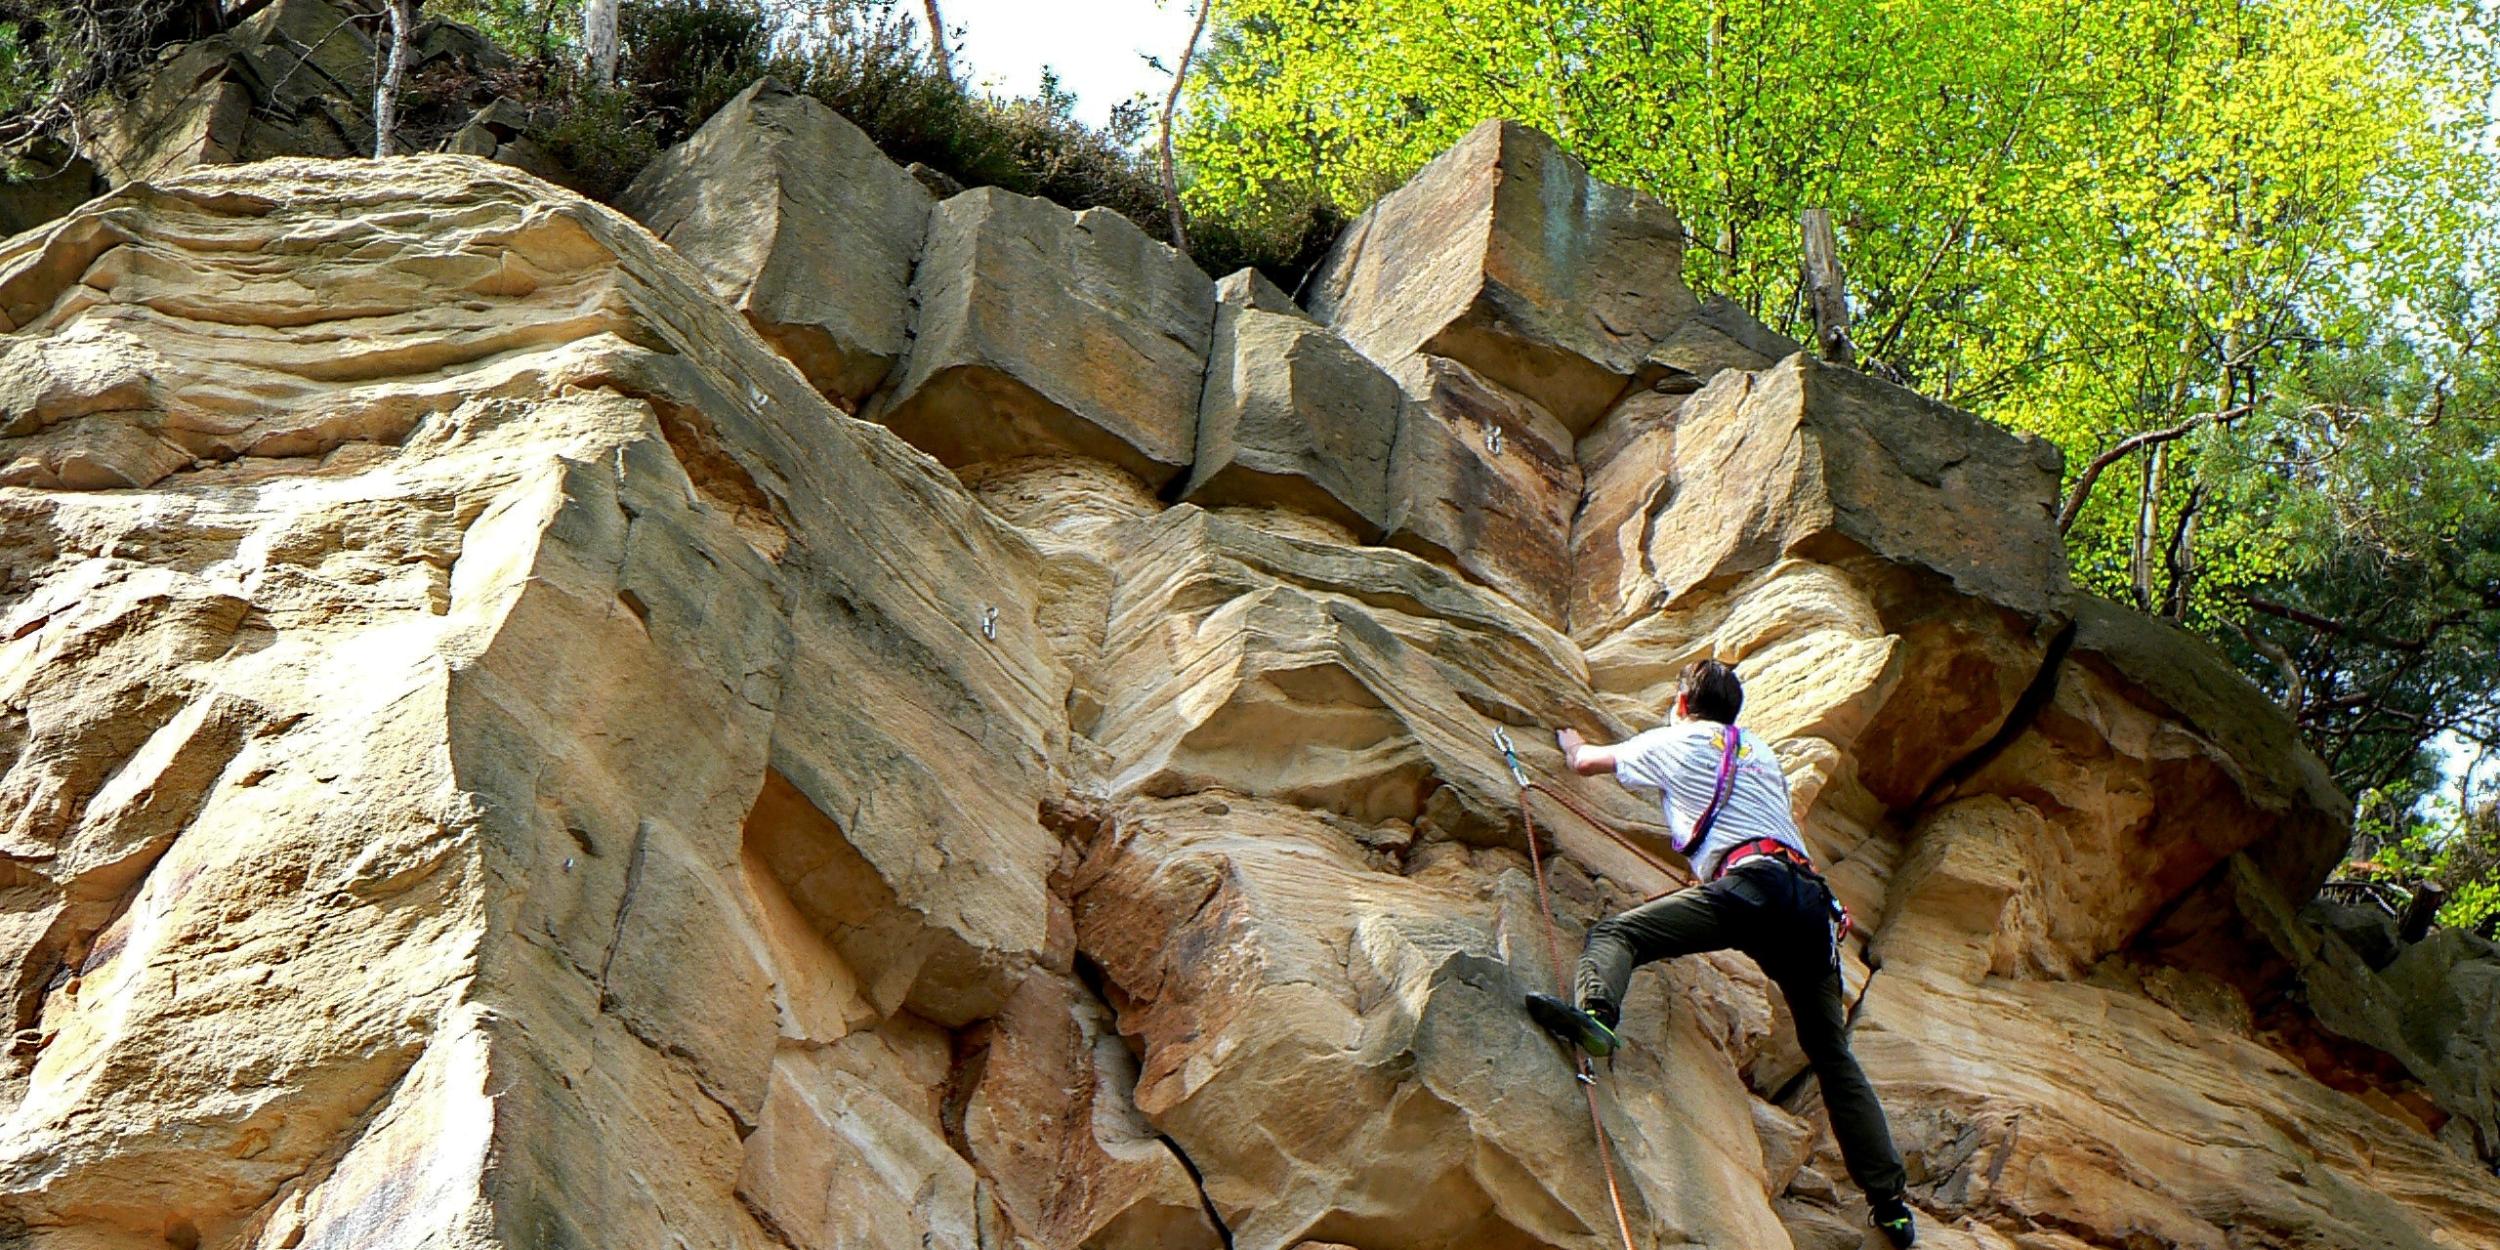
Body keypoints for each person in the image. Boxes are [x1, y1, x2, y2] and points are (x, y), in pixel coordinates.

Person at [1524, 659, 1918, 1248]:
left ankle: (1598, 1016)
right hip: (1811, 904)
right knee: (1833, 1055)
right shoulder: (1760, 752)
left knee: (1616, 936)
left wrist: (1567, 736)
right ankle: (1890, 1204)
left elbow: (1584, 764)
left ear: (1683, 703)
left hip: (1748, 888)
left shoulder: (1671, 739)